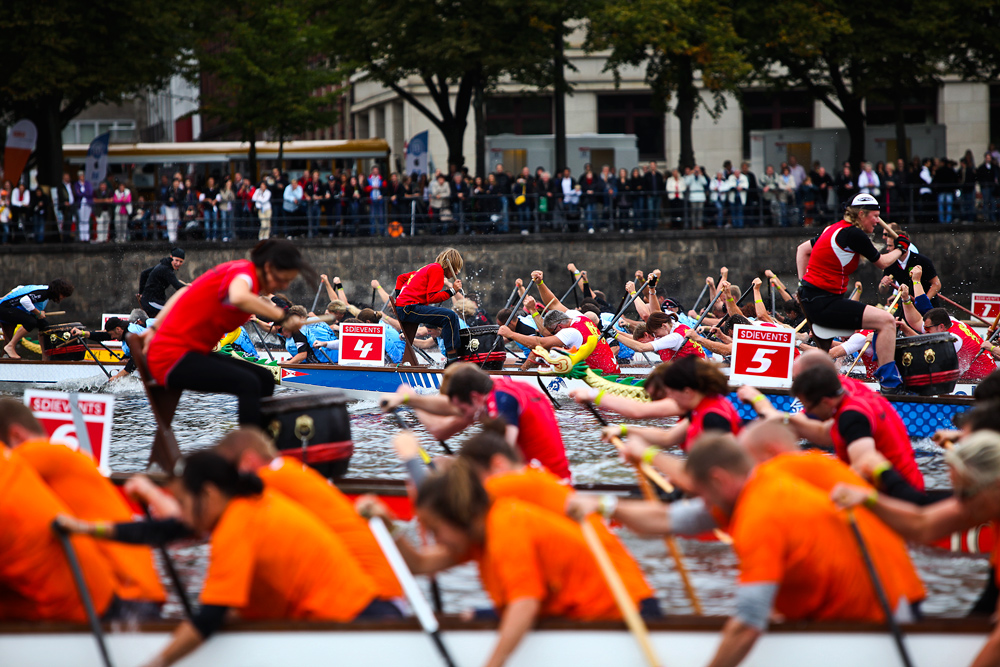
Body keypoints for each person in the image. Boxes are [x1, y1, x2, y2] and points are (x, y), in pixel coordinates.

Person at [571, 433, 921, 667]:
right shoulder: (759, 483)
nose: (700, 500)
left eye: (701, 491)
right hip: (866, 603)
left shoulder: (759, 515)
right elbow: (668, 519)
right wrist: (605, 506)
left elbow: (749, 623)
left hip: (875, 622)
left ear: (720, 480)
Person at [58, 451, 392, 667]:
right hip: (359, 618)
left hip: (357, 627)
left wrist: (155, 664)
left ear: (210, 494)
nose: (184, 515)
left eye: (185, 503)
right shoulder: (248, 504)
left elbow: (209, 618)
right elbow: (160, 532)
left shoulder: (236, 524)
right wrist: (84, 529)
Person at [407, 460, 653, 667]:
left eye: (435, 530)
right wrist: (391, 529)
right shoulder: (478, 534)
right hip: (585, 618)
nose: (435, 539)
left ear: (458, 516)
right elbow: (419, 564)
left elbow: (525, 604)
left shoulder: (505, 526)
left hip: (623, 613)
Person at [0, 399, 165, 617]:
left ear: (16, 436)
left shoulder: (40, 453)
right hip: (140, 590)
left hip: (125, 593)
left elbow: (8, 468)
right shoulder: (70, 457)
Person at [213, 427, 404, 603]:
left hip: (371, 595)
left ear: (248, 461)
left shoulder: (268, 482)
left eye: (228, 473)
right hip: (387, 590)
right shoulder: (291, 469)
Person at [141, 240, 309, 426]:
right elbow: (238, 297)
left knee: (265, 378)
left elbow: (184, 293)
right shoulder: (245, 275)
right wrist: (283, 317)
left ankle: (262, 439)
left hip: (191, 354)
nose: (284, 286)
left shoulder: (241, 272)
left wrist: (155, 329)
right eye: (283, 279)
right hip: (173, 358)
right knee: (249, 383)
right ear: (268, 267)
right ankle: (249, 449)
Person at [796, 192, 909, 393]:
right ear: (861, 214)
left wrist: (802, 284)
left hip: (811, 299)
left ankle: (816, 389)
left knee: (824, 355)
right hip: (825, 303)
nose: (877, 221)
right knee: (886, 321)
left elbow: (802, 250)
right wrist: (901, 247)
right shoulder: (853, 234)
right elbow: (882, 262)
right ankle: (890, 385)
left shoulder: (831, 228)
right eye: (874, 216)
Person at [381, 362, 570, 479]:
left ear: (474, 397)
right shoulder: (498, 388)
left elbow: (498, 459)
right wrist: (407, 399)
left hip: (545, 482)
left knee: (440, 467)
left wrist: (409, 398)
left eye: (463, 410)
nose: (462, 414)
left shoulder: (501, 400)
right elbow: (450, 406)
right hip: (549, 475)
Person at [0, 441, 118, 622]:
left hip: (82, 610)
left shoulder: (35, 454)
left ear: (16, 435)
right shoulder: (10, 463)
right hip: (108, 587)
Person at [787, 363, 924, 493]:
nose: (807, 412)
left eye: (808, 408)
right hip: (909, 480)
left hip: (900, 495)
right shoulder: (845, 388)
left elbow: (863, 467)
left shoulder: (851, 416)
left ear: (825, 402)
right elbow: (824, 433)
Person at [393, 248, 464, 365]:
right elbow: (431, 298)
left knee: (450, 316)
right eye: (456, 269)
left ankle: (452, 356)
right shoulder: (437, 270)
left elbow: (401, 278)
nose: (456, 273)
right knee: (449, 316)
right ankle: (452, 360)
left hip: (405, 307)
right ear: (450, 265)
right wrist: (452, 291)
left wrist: (398, 298)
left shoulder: (427, 268)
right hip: (409, 308)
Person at [0, 279, 74, 359]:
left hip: (13, 310)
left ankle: (45, 356)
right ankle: (10, 346)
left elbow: (20, 288)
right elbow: (24, 300)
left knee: (44, 326)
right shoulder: (43, 293)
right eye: (63, 295)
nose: (63, 298)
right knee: (31, 322)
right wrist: (38, 313)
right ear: (57, 291)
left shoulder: (46, 292)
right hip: (4, 309)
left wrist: (38, 312)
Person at [614, 311, 707, 363]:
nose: (656, 336)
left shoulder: (674, 338)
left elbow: (641, 347)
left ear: (664, 326)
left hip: (695, 375)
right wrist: (618, 332)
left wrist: (616, 336)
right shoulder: (673, 324)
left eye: (655, 333)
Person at [138, 248, 188, 318]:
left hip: (152, 300)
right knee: (174, 309)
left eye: (181, 261)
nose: (178, 263)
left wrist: (141, 293)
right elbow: (178, 286)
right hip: (151, 302)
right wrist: (193, 287)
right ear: (171, 257)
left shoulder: (163, 265)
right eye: (176, 260)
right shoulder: (166, 270)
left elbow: (144, 274)